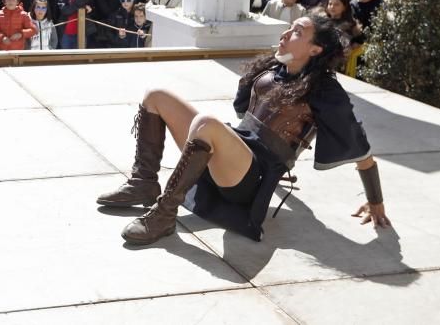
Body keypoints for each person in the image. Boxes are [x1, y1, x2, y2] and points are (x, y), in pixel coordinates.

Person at [97, 14, 390, 245]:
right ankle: (143, 183)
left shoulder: (325, 89)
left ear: (316, 49)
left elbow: (358, 143)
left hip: (252, 178)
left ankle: (163, 215)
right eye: (289, 28)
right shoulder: (273, 70)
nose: (286, 34)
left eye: (298, 32)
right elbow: (244, 114)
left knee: (207, 124)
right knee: (156, 95)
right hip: (235, 155)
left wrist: (375, 200)